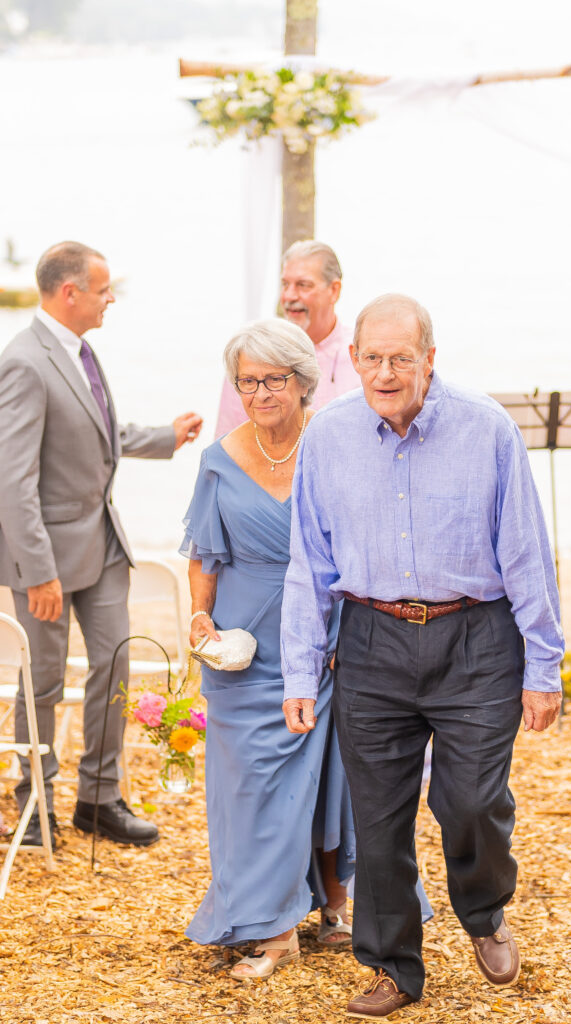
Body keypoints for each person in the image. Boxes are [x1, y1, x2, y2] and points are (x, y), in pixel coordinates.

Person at [281, 294, 564, 1017]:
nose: (384, 372)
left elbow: (528, 555)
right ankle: (393, 968)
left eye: (400, 358)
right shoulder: (328, 437)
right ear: (351, 360)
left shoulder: (488, 429)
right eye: (371, 358)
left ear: (429, 360)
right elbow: (308, 563)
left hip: (477, 640)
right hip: (370, 641)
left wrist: (543, 667)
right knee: (377, 818)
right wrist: (299, 668)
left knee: (470, 801)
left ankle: (483, 909)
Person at [0, 241, 203, 849]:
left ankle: (99, 798)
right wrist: (37, 571)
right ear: (70, 293)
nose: (110, 298)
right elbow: (13, 479)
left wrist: (164, 437)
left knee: (114, 667)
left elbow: (96, 431)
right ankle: (34, 803)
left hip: (104, 544)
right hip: (47, 561)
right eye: (103, 289)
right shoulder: (24, 363)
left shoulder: (81, 351)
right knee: (42, 682)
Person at [182, 319, 355, 978]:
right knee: (247, 789)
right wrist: (199, 615)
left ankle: (329, 903)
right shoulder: (219, 460)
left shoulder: (333, 449)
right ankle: (270, 924)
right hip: (242, 649)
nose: (259, 394)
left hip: (319, 640)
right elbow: (203, 553)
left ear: (302, 381)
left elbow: (358, 548)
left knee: (324, 783)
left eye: (272, 380)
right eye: (247, 381)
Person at [214, 240, 358, 435]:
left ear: (334, 290)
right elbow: (226, 441)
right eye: (285, 284)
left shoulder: (363, 356)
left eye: (303, 285)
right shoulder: (250, 353)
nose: (289, 296)